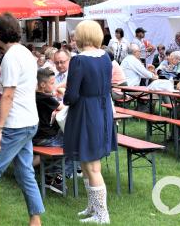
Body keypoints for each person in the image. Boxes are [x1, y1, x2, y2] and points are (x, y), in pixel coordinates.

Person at [0, 13, 44, 226]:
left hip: (15, 124)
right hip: (29, 121)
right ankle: (36, 220)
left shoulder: (12, 57)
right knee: (25, 172)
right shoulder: (25, 53)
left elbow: (8, 95)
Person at [63, 20, 114, 224]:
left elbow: (72, 94)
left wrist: (65, 100)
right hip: (102, 108)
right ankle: (93, 207)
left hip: (85, 111)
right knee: (86, 162)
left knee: (91, 165)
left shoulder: (79, 60)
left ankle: (102, 214)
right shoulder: (105, 57)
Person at [32, 68, 72, 194]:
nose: (54, 85)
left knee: (62, 133)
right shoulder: (45, 98)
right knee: (75, 146)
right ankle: (60, 179)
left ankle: (49, 177)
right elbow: (64, 108)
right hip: (44, 138)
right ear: (43, 84)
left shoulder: (33, 95)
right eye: (52, 83)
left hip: (34, 135)